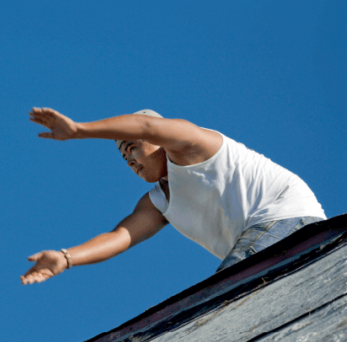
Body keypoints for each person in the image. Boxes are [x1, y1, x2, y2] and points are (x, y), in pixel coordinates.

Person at [20, 108, 326, 285]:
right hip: (258, 241)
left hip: (288, 220)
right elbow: (121, 237)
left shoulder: (195, 145)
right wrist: (66, 257)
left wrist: (79, 130)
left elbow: (147, 125)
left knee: (221, 296)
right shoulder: (159, 202)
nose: (130, 161)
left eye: (132, 149)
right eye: (124, 159)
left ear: (159, 142)